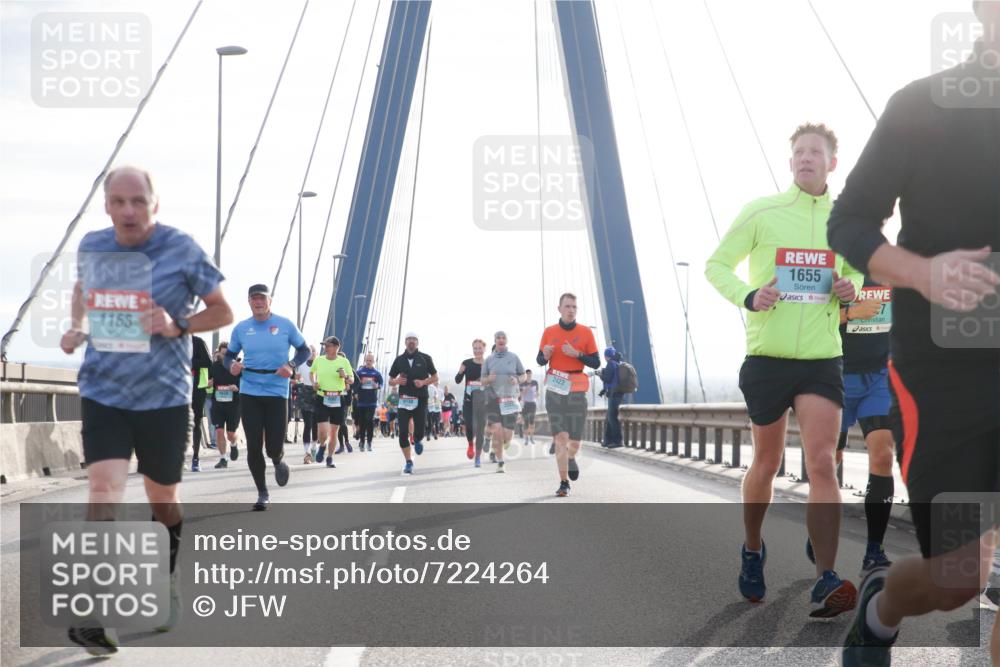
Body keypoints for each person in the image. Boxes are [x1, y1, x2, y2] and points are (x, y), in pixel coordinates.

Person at [826, 4, 1000, 661]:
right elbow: (848, 221)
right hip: (942, 372)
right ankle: (878, 610)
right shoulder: (920, 106)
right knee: (958, 580)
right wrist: (921, 272)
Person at [60, 166, 233, 653]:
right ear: (107, 205)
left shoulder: (182, 248)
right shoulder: (93, 245)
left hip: (164, 398)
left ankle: (166, 577)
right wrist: (76, 327)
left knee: (163, 501)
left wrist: (178, 324)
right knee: (104, 486)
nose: (128, 211)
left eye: (138, 201)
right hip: (104, 391)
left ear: (155, 203)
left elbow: (223, 311)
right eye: (118, 201)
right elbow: (81, 290)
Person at [705, 122, 862, 616]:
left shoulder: (846, 220)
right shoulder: (762, 212)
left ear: (832, 162)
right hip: (768, 358)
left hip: (821, 358)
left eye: (815, 151)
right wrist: (750, 295)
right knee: (767, 463)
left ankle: (826, 578)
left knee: (821, 463)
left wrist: (849, 287)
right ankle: (753, 548)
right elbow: (716, 266)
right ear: (790, 161)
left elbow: (857, 271)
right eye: (798, 152)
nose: (805, 158)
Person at [805, 282, 896, 577]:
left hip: (880, 376)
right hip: (837, 374)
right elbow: (810, 317)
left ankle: (874, 551)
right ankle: (819, 528)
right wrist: (852, 312)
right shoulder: (837, 268)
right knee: (829, 462)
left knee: (883, 456)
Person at [225, 284, 310, 511]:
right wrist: (231, 364)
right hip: (250, 391)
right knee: (254, 446)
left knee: (273, 446)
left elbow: (305, 351)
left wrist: (291, 365)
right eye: (254, 299)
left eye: (262, 298)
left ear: (270, 301)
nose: (258, 302)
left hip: (277, 392)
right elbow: (229, 356)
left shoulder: (285, 325)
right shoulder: (242, 328)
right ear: (249, 302)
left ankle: (278, 460)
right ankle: (262, 493)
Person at [537, 293, 600, 497]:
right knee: (560, 438)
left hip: (577, 389)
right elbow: (539, 360)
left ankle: (571, 457)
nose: (571, 310)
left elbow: (596, 362)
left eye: (574, 307)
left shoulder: (585, 333)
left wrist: (578, 354)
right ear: (559, 309)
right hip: (555, 390)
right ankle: (564, 482)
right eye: (568, 306)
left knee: (574, 441)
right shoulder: (549, 332)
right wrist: (545, 355)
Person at [388, 333, 438, 474]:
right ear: (405, 342)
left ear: (417, 343)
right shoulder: (399, 360)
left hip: (420, 399)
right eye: (409, 339)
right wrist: (397, 381)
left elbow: (435, 377)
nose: (411, 342)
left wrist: (423, 382)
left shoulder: (425, 358)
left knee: (420, 429)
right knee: (402, 432)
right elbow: (390, 380)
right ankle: (408, 462)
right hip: (404, 400)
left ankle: (418, 439)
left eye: (414, 340)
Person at [482, 331, 526, 473]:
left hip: (510, 400)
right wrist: (489, 379)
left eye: (503, 338)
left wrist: (517, 380)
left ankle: (498, 448)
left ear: (506, 341)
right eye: (498, 338)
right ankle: (501, 462)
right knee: (497, 430)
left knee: (507, 437)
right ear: (494, 341)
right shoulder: (489, 360)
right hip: (493, 400)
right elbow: (481, 381)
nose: (501, 340)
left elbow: (523, 375)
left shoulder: (513, 357)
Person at [310, 338, 355, 466]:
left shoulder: (344, 361)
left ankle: (329, 458)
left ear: (336, 347)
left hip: (338, 398)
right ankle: (322, 445)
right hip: (322, 396)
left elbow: (352, 380)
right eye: (324, 346)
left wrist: (345, 376)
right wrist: (314, 383)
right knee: (323, 431)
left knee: (334, 431)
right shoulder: (319, 360)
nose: (325, 348)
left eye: (328, 346)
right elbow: (311, 372)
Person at [456, 339, 489, 467]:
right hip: (469, 401)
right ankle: (470, 444)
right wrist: (460, 372)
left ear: (484, 349)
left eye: (479, 348)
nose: (477, 351)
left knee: (480, 430)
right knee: (469, 426)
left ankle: (478, 458)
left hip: (484, 402)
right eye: (475, 348)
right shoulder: (466, 363)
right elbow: (458, 380)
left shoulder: (489, 364)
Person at [209, 341, 241, 468]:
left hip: (233, 404)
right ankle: (223, 459)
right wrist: (208, 384)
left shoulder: (238, 367)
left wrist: (236, 387)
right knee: (219, 431)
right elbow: (207, 383)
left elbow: (244, 384)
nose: (224, 356)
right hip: (218, 403)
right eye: (222, 354)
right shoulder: (214, 366)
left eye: (227, 354)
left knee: (231, 434)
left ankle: (233, 444)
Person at [189, 335, 212, 471]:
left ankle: (195, 458)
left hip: (196, 388)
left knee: (195, 423)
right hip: (176, 388)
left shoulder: (197, 342)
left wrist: (188, 361)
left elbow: (208, 362)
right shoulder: (170, 341)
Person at [353, 352, 384, 452]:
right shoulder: (360, 372)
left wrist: (377, 386)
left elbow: (382, 384)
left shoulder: (376, 373)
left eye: (371, 360)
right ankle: (362, 442)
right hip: (361, 401)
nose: (369, 362)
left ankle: (369, 442)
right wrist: (355, 393)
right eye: (367, 360)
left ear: (373, 361)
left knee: (369, 421)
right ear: (365, 361)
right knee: (362, 422)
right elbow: (354, 383)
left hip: (371, 401)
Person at [295, 345, 318, 463]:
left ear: (317, 353)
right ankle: (307, 453)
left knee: (315, 425)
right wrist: (296, 383)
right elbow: (297, 379)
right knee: (307, 424)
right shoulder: (302, 365)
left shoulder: (321, 364)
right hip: (305, 395)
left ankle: (314, 448)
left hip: (318, 394)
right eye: (309, 351)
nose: (312, 353)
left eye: (313, 351)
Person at [599, 347, 623, 448]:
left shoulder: (611, 364)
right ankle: (607, 440)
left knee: (612, 418)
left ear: (606, 356)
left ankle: (617, 441)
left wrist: (600, 375)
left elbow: (607, 379)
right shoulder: (618, 363)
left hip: (613, 394)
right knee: (610, 418)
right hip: (617, 393)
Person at [519, 370, 539, 444]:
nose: (528, 375)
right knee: (526, 422)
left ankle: (531, 438)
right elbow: (521, 395)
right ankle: (526, 438)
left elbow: (537, 393)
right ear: (525, 375)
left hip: (533, 404)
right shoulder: (522, 384)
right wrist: (527, 388)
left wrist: (537, 395)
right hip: (525, 404)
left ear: (531, 374)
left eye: (530, 373)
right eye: (527, 374)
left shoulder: (535, 382)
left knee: (532, 422)